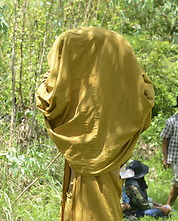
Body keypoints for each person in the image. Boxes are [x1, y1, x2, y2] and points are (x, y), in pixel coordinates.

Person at [35, 27, 155, 220]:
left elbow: (47, 100)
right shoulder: (123, 97)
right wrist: (133, 72)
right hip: (111, 166)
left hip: (79, 170)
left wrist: (49, 79)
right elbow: (145, 97)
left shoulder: (71, 100)